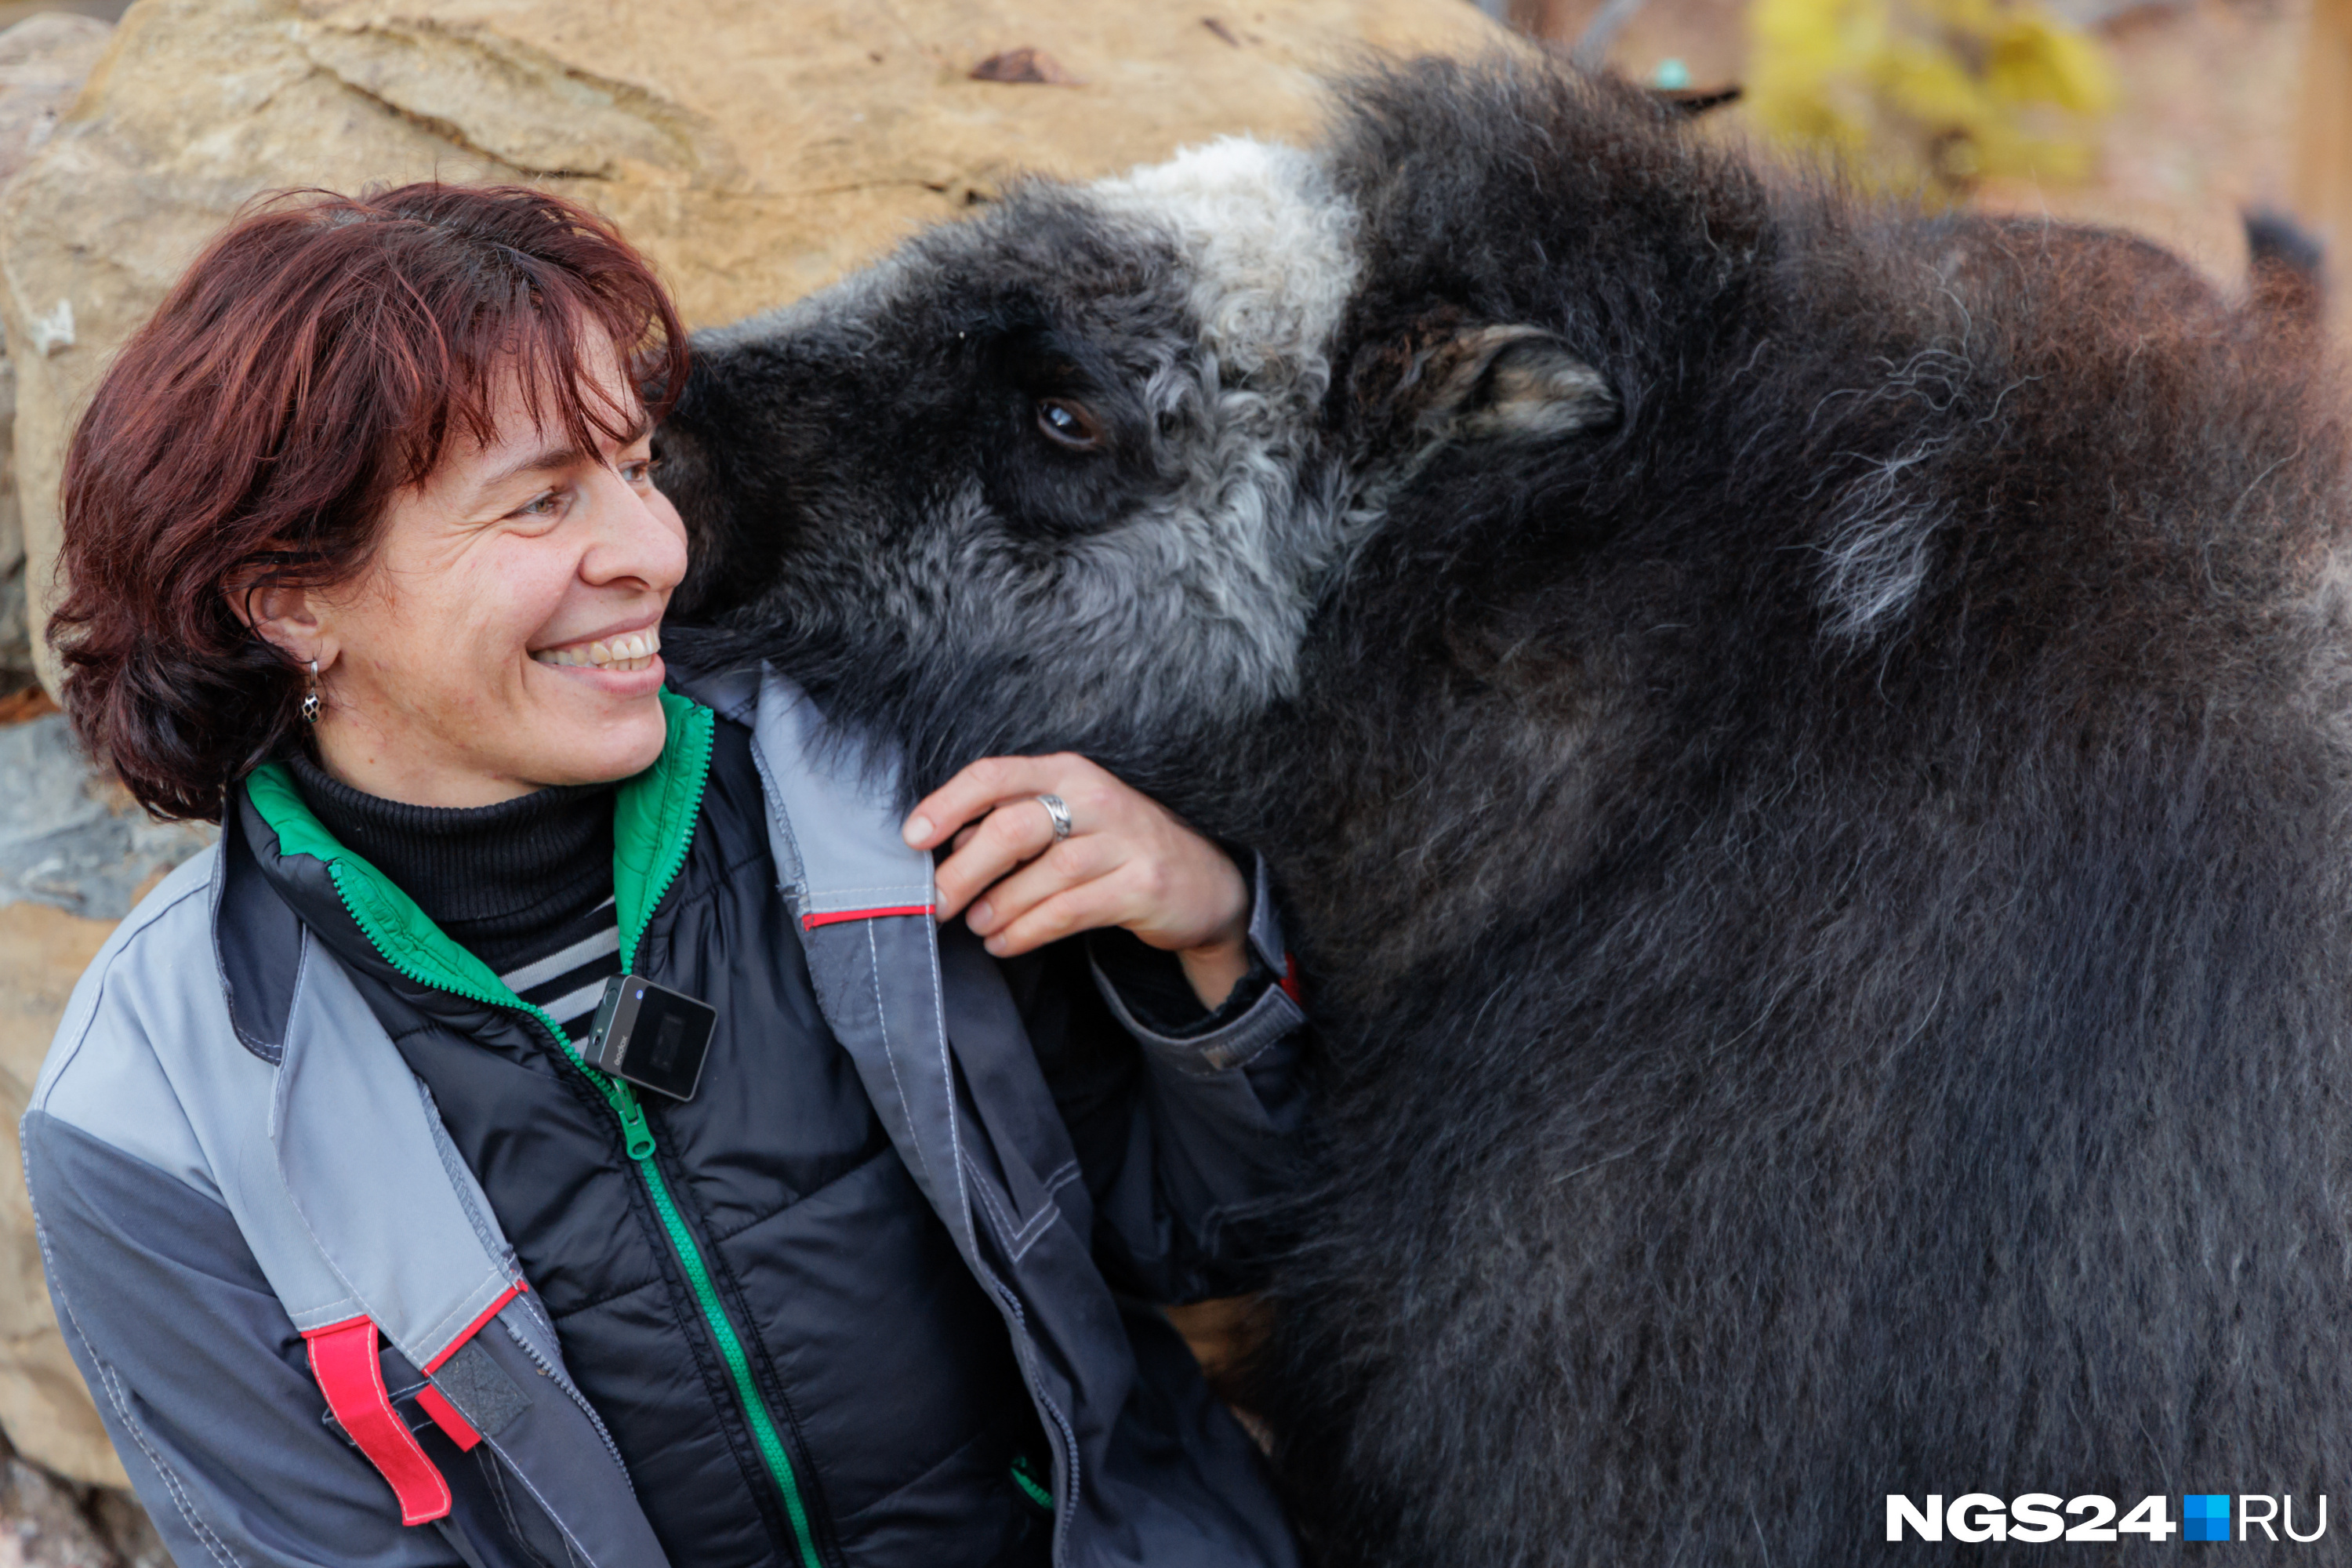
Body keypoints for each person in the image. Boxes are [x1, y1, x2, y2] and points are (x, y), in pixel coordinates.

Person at [25, 183, 1306, 1568]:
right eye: (539, 503)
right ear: (287, 599)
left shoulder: (886, 797)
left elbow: (1199, 1240)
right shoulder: (147, 1113)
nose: (653, 552)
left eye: (634, 468)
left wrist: (1215, 943)